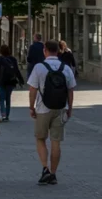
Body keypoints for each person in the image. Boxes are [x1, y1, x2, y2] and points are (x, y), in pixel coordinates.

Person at [28, 40, 76, 186]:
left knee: (40, 138)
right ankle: (53, 174)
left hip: (43, 108)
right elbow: (70, 90)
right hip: (60, 108)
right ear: (58, 51)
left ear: (45, 50)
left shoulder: (39, 67)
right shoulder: (65, 68)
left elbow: (33, 89)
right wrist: (69, 108)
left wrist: (31, 107)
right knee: (56, 141)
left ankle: (45, 169)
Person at [0, 44, 24, 122]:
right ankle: (7, 115)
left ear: (0, 51)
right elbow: (16, 70)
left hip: (1, 82)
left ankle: (3, 115)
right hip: (11, 81)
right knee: (8, 98)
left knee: (1, 99)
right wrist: (21, 80)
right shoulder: (13, 59)